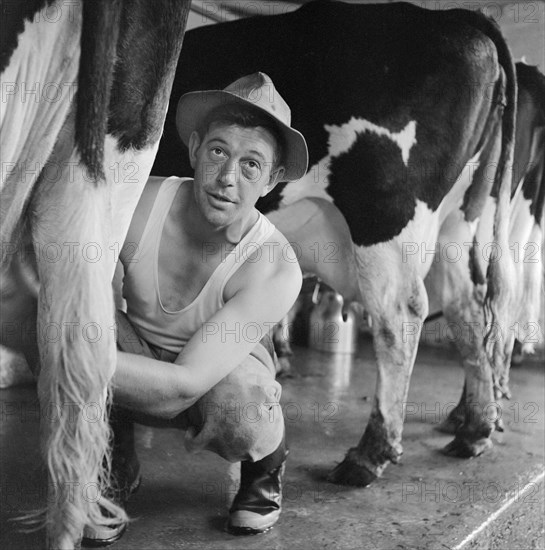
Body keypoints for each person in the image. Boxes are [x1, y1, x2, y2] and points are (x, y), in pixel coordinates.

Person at [82, 72, 309, 546]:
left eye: (251, 165)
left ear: (271, 180)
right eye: (219, 151)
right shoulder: (140, 204)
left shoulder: (274, 265)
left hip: (213, 379)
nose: (227, 178)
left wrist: (70, 356)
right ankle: (112, 449)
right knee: (71, 316)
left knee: (242, 412)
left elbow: (183, 387)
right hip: (137, 355)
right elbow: (79, 280)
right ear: (194, 149)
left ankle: (266, 464)